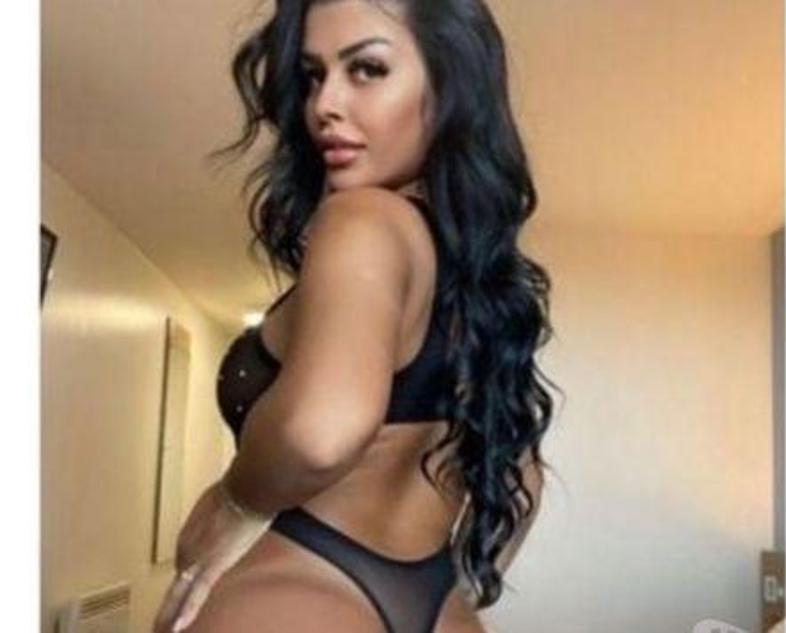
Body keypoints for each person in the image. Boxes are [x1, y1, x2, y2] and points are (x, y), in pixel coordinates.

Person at [153, 0, 558, 631]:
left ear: (450, 84)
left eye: (367, 69)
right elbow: (522, 480)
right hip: (440, 603)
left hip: (301, 590)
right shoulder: (478, 281)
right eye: (314, 75)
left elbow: (322, 431)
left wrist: (232, 500)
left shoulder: (363, 218)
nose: (325, 104)